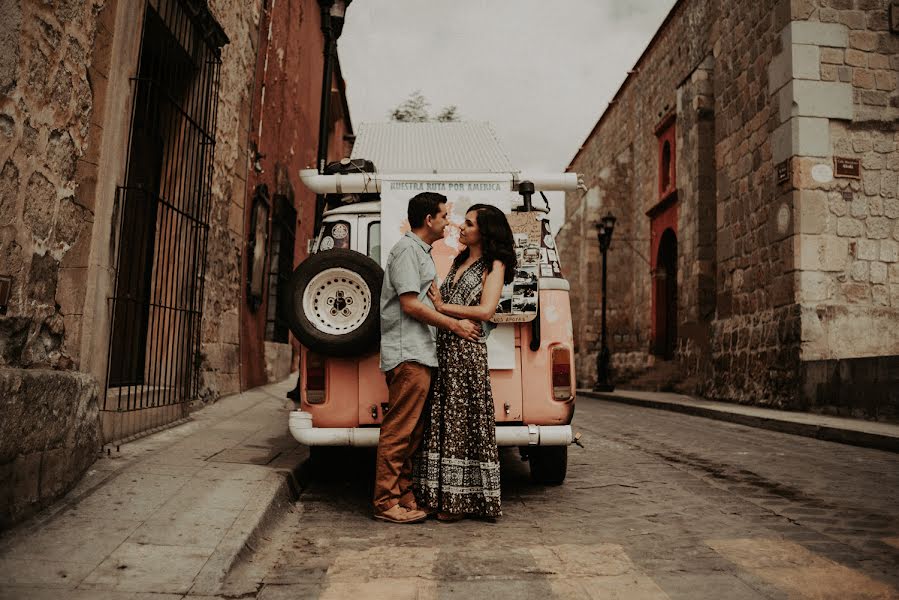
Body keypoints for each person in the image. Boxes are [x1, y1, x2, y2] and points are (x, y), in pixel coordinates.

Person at [373, 192, 481, 524]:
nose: (450, 222)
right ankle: (384, 501)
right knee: (399, 430)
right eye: (445, 216)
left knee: (413, 432)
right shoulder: (407, 250)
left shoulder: (420, 251)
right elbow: (410, 305)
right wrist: (455, 325)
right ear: (429, 220)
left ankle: (403, 494)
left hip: (419, 354)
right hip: (409, 354)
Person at [414, 204, 516, 522]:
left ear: (484, 231)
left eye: (469, 224)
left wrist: (445, 306)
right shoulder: (460, 259)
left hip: (467, 351)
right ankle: (440, 495)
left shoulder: (494, 263)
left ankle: (461, 502)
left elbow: (486, 311)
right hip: (446, 348)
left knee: (463, 423)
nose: (462, 227)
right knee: (444, 422)